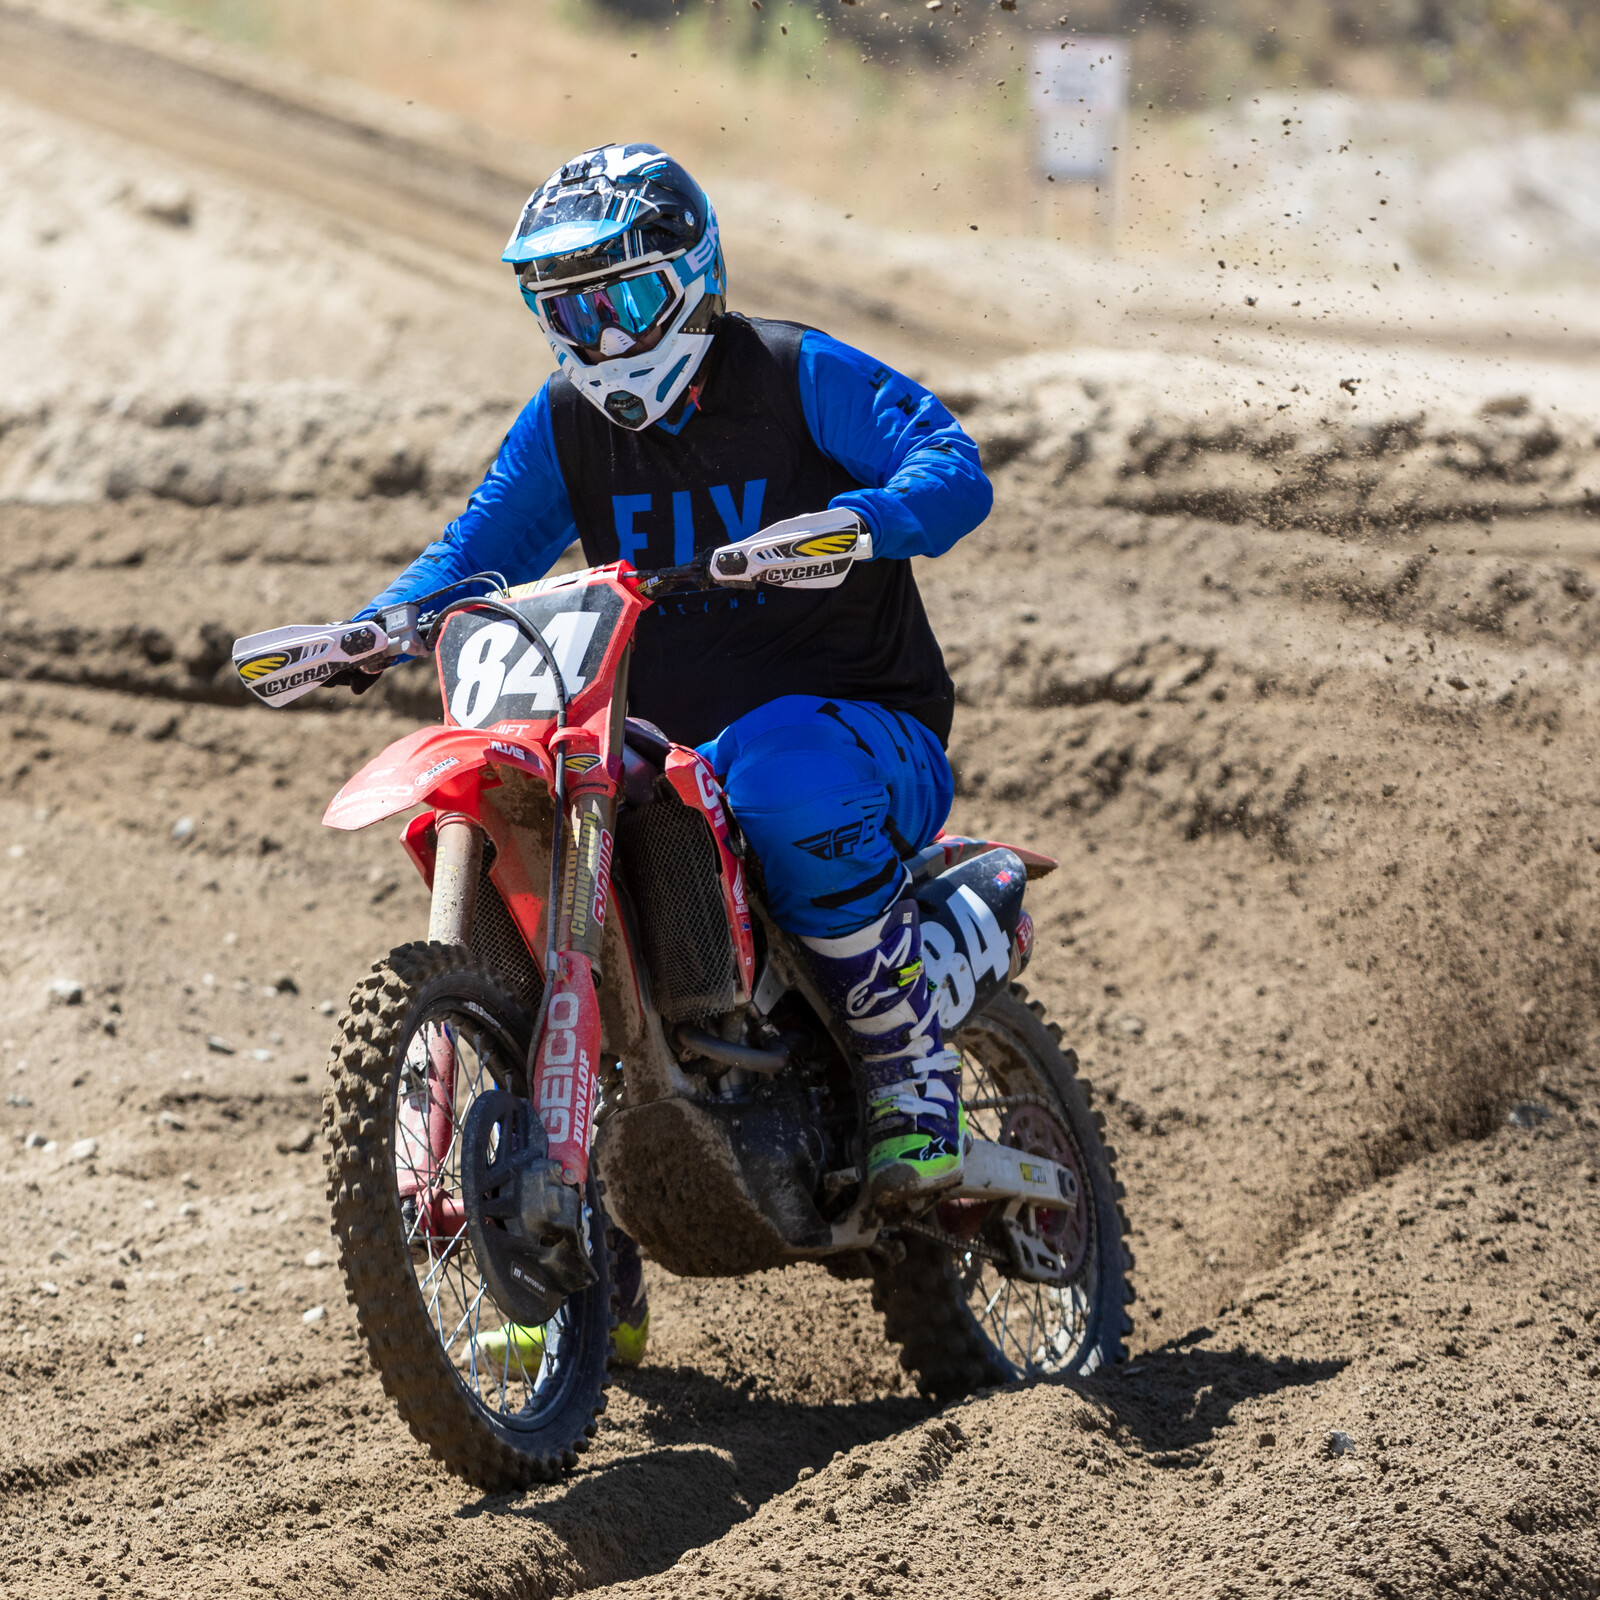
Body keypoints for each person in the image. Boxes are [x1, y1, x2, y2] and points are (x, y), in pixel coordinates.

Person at [355, 142, 992, 1366]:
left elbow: (950, 469)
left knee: (772, 769)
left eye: (622, 301)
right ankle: (585, 1264)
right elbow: (475, 553)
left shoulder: (795, 373)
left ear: (691, 276)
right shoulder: (564, 425)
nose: (598, 338)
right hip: (656, 753)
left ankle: (910, 1075)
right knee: (512, 833)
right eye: (565, 311)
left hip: (863, 734)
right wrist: (382, 622)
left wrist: (854, 522)